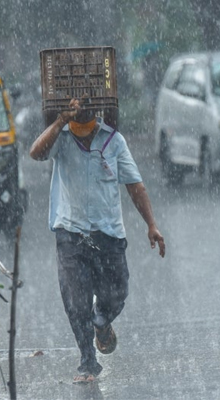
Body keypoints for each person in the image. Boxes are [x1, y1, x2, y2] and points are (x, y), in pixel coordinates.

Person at [29, 98, 165, 384]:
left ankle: (102, 321)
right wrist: (59, 122)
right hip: (71, 233)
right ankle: (87, 361)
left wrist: (151, 224)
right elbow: (36, 154)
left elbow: (134, 184)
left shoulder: (113, 141)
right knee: (75, 303)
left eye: (86, 103)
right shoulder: (61, 138)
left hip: (109, 234)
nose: (81, 107)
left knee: (116, 293)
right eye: (75, 104)